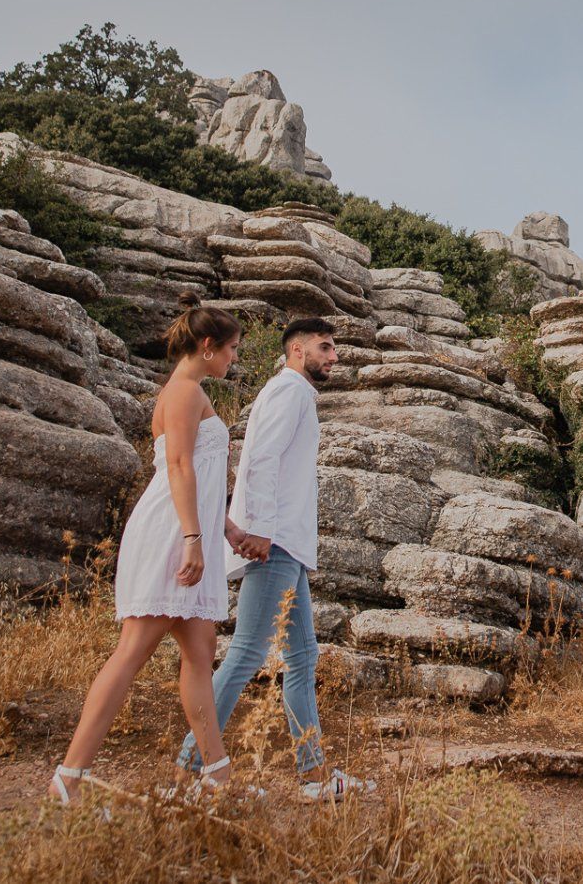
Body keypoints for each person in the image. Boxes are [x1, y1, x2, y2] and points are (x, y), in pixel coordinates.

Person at [50, 295, 258, 805]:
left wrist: (225, 528)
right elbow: (180, 468)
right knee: (132, 653)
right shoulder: (184, 392)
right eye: (231, 349)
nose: (234, 359)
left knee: (200, 657)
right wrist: (193, 539)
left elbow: (195, 474)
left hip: (191, 531)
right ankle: (68, 778)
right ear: (207, 347)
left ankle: (218, 780)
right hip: (172, 535)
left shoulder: (188, 390)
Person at [176, 316, 377, 801]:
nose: (334, 357)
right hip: (277, 542)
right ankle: (187, 773)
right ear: (297, 351)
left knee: (303, 657)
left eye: (334, 350)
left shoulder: (293, 394)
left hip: (287, 544)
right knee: (245, 654)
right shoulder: (288, 392)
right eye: (325, 348)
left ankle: (314, 779)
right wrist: (261, 530)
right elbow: (261, 457)